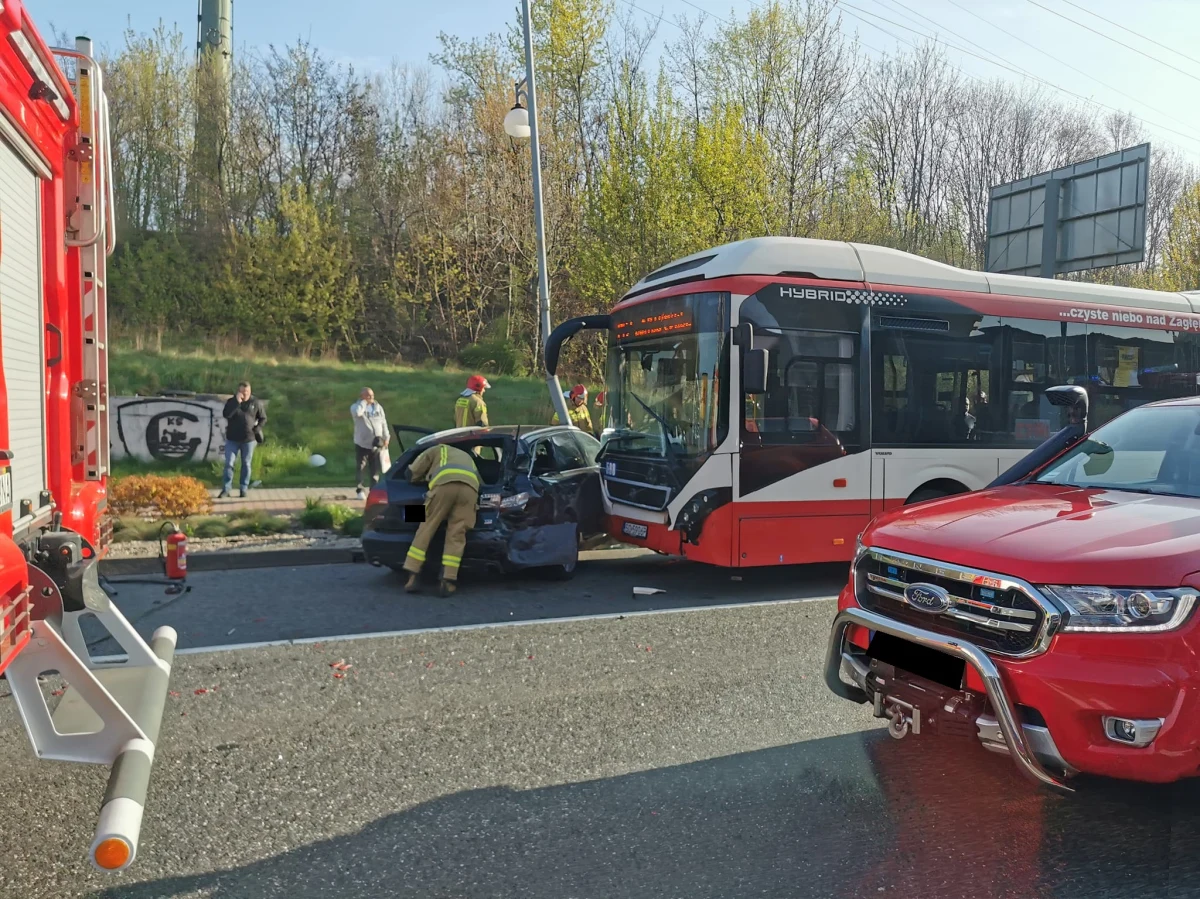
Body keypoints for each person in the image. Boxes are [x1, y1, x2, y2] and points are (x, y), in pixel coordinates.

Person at [402, 442, 480, 597]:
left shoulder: (436, 448)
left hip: (444, 485)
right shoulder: (469, 458)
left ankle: (412, 576)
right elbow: (480, 481)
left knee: (427, 527)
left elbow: (412, 473)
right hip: (469, 491)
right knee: (457, 534)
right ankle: (448, 580)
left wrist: (422, 478)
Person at [221, 381, 267, 498]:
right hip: (232, 438)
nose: (244, 393)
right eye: (242, 391)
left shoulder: (255, 402)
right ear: (238, 391)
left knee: (246, 464)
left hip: (249, 439)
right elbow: (227, 415)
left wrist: (257, 428)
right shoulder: (232, 402)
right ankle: (226, 489)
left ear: (250, 391)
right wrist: (237, 402)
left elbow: (263, 418)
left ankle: (243, 488)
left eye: (247, 391)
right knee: (229, 464)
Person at [351, 387, 390, 499]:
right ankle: (360, 490)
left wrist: (386, 437)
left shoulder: (378, 407)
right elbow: (358, 413)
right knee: (361, 467)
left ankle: (374, 490)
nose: (371, 398)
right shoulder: (356, 407)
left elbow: (383, 422)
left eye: (372, 395)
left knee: (375, 468)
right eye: (368, 396)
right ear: (362, 396)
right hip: (362, 443)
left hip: (377, 443)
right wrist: (364, 402)